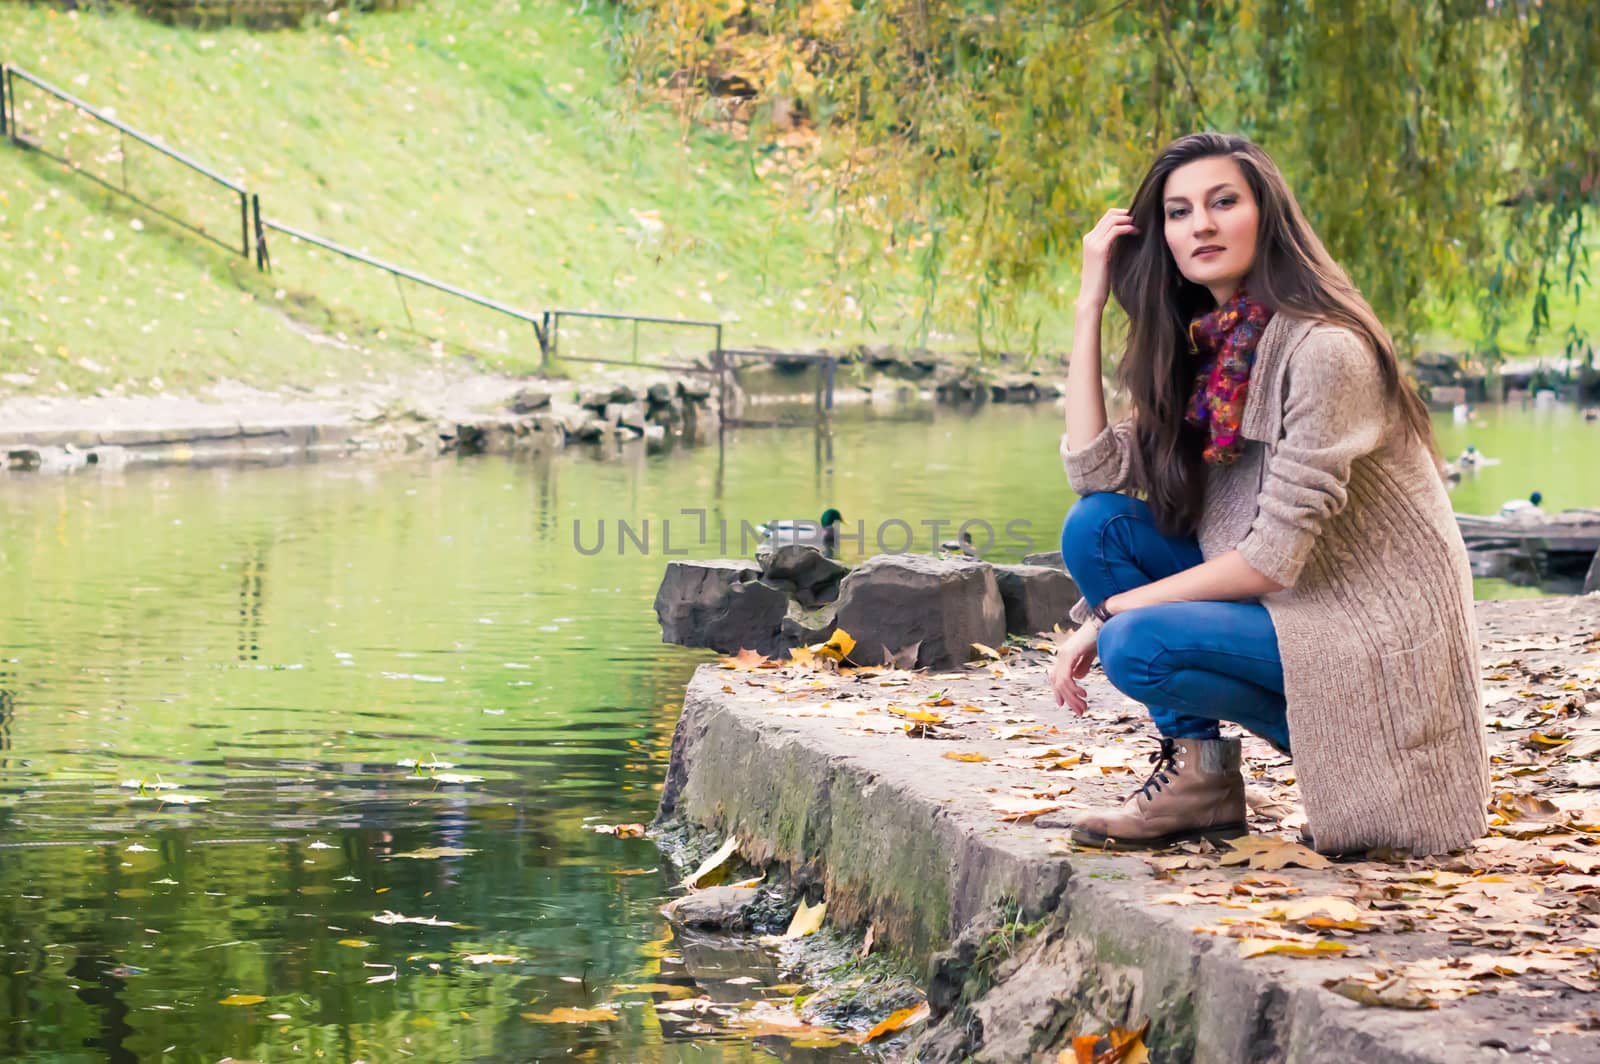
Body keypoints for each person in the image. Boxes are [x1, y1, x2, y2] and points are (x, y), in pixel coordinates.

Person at [1050, 132, 1488, 857]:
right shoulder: (1208, 348)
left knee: (1136, 644)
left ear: (1267, 214)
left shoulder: (1325, 351)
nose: (1203, 225)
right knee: (1097, 527)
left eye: (1225, 202)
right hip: (1291, 607)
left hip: (1369, 635)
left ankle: (1342, 751)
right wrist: (1090, 299)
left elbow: (1270, 562)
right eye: (1180, 211)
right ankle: (1201, 779)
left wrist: (1108, 611)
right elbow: (1095, 474)